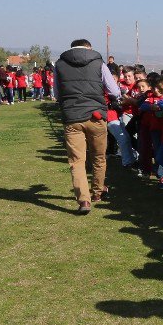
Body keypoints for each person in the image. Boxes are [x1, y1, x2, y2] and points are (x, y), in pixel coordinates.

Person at [54, 39, 122, 214]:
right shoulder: (98, 62)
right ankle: (98, 192)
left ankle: (84, 200)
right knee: (99, 157)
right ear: (88, 48)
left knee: (76, 161)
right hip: (96, 115)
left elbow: (56, 93)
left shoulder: (60, 64)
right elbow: (114, 91)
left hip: (72, 117)